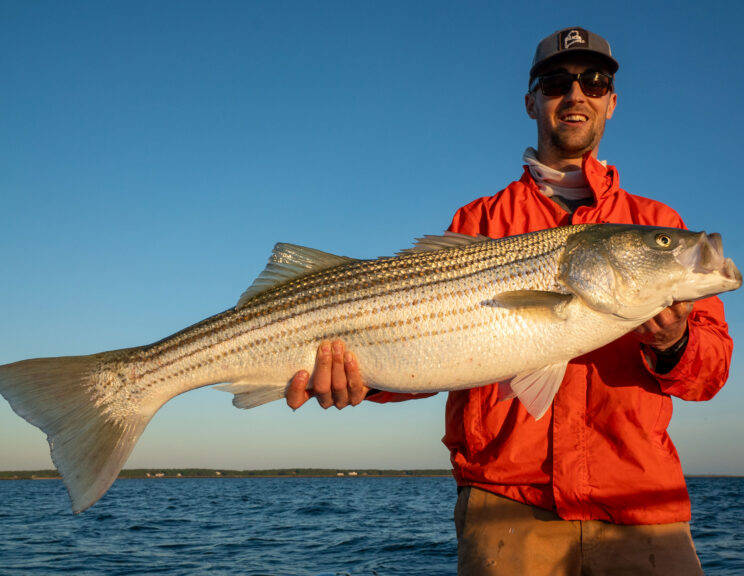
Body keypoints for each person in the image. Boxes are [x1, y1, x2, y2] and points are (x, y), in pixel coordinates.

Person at [286, 27, 732, 575]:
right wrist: (365, 378)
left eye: (594, 82)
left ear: (611, 103)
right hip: (505, 507)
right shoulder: (479, 220)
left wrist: (675, 342)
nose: (576, 95)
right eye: (556, 83)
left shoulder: (657, 220)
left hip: (640, 506)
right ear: (531, 102)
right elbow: (430, 346)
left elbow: (710, 374)